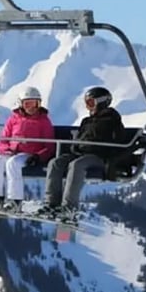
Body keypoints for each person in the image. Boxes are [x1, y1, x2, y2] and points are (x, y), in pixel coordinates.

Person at [38, 86, 126, 219]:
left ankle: (69, 207)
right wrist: (75, 147)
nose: (88, 107)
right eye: (87, 103)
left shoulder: (112, 120)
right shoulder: (87, 121)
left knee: (77, 165)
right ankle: (51, 204)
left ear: (102, 102)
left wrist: (111, 156)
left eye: (91, 103)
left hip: (99, 157)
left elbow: (118, 141)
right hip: (80, 153)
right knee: (56, 162)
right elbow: (80, 138)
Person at [0, 87, 55, 212]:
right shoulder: (13, 119)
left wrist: (38, 156)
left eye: (35, 104)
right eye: (28, 104)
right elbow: (3, 140)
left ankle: (15, 201)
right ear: (21, 104)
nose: (32, 107)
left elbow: (49, 146)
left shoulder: (43, 121)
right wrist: (6, 150)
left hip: (29, 154)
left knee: (13, 164)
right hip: (12, 152)